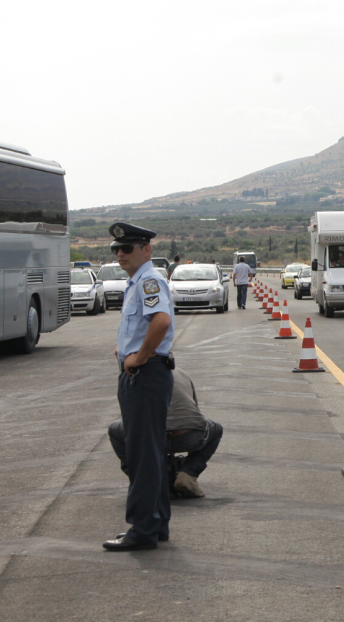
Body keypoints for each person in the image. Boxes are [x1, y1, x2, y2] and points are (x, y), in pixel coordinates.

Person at [103, 222, 175, 552]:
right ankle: (156, 523)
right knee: (153, 452)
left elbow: (161, 322)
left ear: (146, 250)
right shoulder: (139, 282)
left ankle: (142, 529)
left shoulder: (148, 280)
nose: (120, 254)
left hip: (144, 377)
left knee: (142, 454)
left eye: (127, 248)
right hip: (147, 375)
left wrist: (138, 358)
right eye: (116, 249)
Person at [108, 367, 223, 498]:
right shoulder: (181, 372)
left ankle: (144, 478)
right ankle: (188, 474)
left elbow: (129, 415)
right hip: (187, 436)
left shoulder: (132, 376)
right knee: (216, 429)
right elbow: (195, 413)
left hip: (150, 437)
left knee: (114, 429)